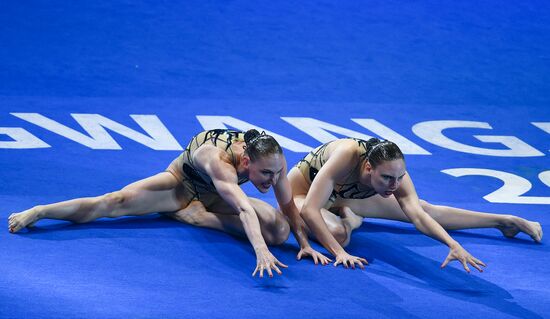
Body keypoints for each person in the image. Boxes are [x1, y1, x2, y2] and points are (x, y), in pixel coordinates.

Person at [8, 129, 329, 277]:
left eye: (276, 173)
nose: (272, 180)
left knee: (278, 229)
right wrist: (261, 251)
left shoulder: (272, 161)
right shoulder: (218, 160)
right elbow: (245, 208)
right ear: (246, 160)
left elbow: (287, 205)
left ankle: (196, 217)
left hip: (217, 196)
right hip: (179, 186)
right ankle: (41, 210)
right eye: (265, 174)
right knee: (112, 202)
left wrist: (304, 243)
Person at [288, 137, 543, 273]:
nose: (394, 185)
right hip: (304, 194)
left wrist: (453, 245)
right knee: (338, 235)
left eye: (399, 178)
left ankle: (503, 221)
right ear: (368, 168)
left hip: (347, 196)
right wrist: (339, 253)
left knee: (424, 207)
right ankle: (351, 220)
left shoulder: (393, 171)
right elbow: (310, 210)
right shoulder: (346, 155)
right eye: (387, 178)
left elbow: (419, 216)